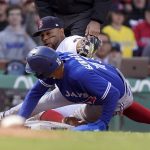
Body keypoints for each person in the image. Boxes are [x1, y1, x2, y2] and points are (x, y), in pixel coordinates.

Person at [1, 16, 150, 127]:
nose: (45, 38)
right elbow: (34, 93)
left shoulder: (69, 42)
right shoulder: (48, 56)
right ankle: (5, 118)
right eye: (42, 35)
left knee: (51, 113)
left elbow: (86, 43)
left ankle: (72, 124)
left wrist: (86, 45)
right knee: (37, 104)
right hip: (69, 87)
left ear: (60, 30)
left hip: (89, 84)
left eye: (48, 33)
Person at [18, 45, 133, 131]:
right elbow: (35, 94)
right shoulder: (55, 64)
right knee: (69, 119)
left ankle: (85, 125)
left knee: (76, 128)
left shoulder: (78, 75)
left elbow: (113, 94)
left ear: (47, 69)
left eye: (36, 70)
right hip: (102, 81)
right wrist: (20, 120)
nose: (35, 73)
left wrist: (102, 123)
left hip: (119, 97)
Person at [34, 0, 112, 37]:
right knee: (54, 54)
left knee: (78, 51)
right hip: (56, 14)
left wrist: (96, 20)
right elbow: (41, 3)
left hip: (84, 14)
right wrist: (49, 22)